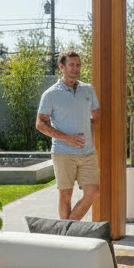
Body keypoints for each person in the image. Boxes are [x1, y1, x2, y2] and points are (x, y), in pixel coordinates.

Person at [35, 50, 100, 220]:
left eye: (78, 65)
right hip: (63, 153)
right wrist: (68, 138)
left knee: (93, 192)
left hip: (88, 153)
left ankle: (66, 231)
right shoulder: (50, 94)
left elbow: (96, 116)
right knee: (66, 195)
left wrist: (89, 135)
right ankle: (67, 238)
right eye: (71, 65)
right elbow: (41, 124)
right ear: (61, 67)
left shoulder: (88, 90)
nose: (75, 68)